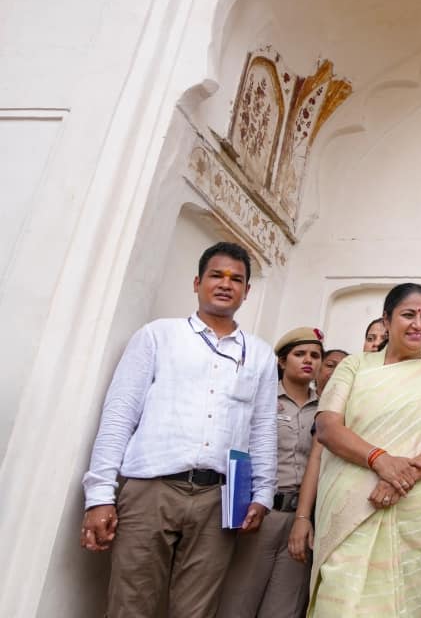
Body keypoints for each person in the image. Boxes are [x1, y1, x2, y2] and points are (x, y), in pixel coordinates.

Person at [80, 242, 277, 617]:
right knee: (130, 604)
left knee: (196, 611)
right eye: (216, 275)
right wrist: (100, 494)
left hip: (218, 499)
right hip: (150, 490)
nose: (225, 284)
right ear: (197, 282)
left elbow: (263, 427)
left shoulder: (260, 354)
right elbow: (120, 414)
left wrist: (262, 492)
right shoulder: (158, 336)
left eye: (236, 279)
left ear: (247, 291)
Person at [310, 283, 421, 615]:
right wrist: (380, 460)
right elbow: (327, 427)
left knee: (406, 604)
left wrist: (404, 475)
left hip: (418, 515)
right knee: (339, 602)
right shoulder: (355, 367)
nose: (418, 324)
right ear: (387, 318)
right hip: (353, 506)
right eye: (408, 315)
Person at [219, 327, 325, 617]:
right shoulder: (261, 400)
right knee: (238, 602)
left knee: (284, 608)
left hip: (300, 518)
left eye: (315, 356)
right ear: (281, 361)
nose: (309, 361)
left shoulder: (326, 410)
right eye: (299, 354)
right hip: (260, 515)